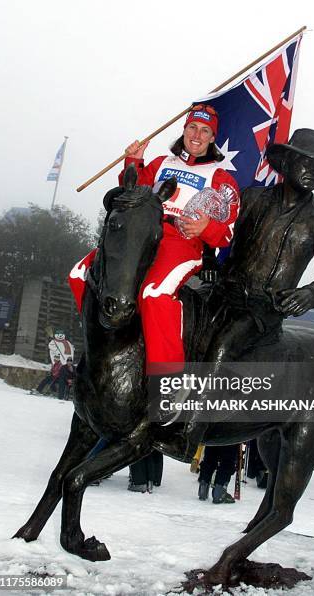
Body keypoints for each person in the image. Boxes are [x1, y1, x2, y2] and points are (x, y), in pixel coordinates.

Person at [183, 128, 314, 454]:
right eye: (306, 163)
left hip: (263, 311)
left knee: (224, 345)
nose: (312, 172)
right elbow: (216, 231)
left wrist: (308, 294)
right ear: (285, 162)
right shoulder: (252, 198)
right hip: (222, 292)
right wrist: (208, 258)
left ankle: (189, 429)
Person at [116, 105, 239, 460]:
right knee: (81, 274)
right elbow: (131, 193)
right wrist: (133, 163)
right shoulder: (161, 163)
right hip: (144, 236)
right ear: (184, 129)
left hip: (182, 243)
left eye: (205, 132)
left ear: (214, 138)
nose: (197, 136)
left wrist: (206, 228)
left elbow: (228, 231)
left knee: (155, 294)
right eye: (192, 128)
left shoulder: (221, 176)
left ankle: (170, 387)